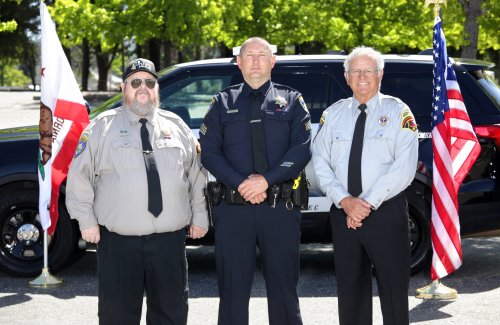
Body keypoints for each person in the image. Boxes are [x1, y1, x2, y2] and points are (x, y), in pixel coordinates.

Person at [66, 58, 209, 324]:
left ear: (156, 88)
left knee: (171, 313)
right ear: (124, 88)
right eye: (135, 82)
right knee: (117, 315)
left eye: (149, 82)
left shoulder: (176, 125)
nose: (143, 87)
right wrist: (86, 221)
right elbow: (79, 177)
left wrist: (200, 216)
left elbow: (196, 174)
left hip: (169, 242)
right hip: (119, 243)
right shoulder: (101, 127)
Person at [199, 37, 311, 325]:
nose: (257, 60)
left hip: (280, 209)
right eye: (250, 55)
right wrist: (241, 184)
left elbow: (301, 149)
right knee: (232, 290)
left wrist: (266, 181)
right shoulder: (222, 102)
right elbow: (209, 152)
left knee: (284, 289)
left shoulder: (293, 100)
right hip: (234, 209)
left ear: (273, 61)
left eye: (263, 54)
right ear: (239, 62)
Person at [312, 47, 418, 325]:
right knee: (350, 294)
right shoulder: (333, 114)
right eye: (355, 71)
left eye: (368, 71)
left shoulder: (398, 112)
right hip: (344, 214)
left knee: (394, 293)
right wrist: (344, 200)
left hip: (385, 213)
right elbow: (320, 161)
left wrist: (366, 202)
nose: (361, 77)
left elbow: (403, 168)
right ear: (346, 77)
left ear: (380, 75)